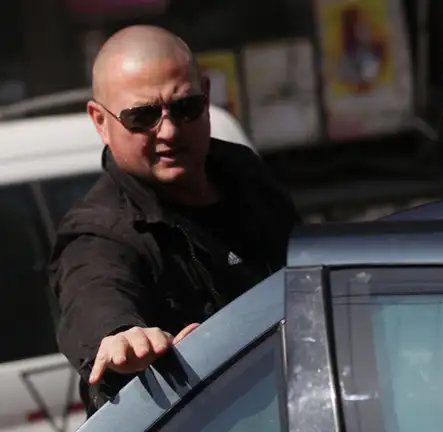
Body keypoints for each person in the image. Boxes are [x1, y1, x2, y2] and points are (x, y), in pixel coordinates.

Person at [48, 25, 300, 416]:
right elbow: (94, 289)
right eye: (142, 116)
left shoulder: (244, 173)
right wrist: (120, 335)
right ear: (100, 120)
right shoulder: (100, 231)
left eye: (185, 107)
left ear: (207, 96)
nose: (168, 131)